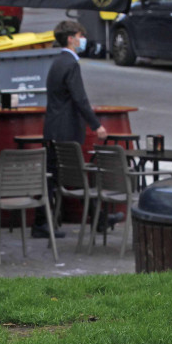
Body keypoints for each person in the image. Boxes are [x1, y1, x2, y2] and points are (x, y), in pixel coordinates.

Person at [38, 20, 110, 238]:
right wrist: (96, 125)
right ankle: (99, 220)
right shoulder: (70, 64)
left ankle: (97, 220)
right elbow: (80, 98)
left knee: (54, 177)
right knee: (75, 175)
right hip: (66, 131)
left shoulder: (57, 62)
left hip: (53, 129)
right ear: (71, 38)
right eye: (80, 35)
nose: (82, 40)